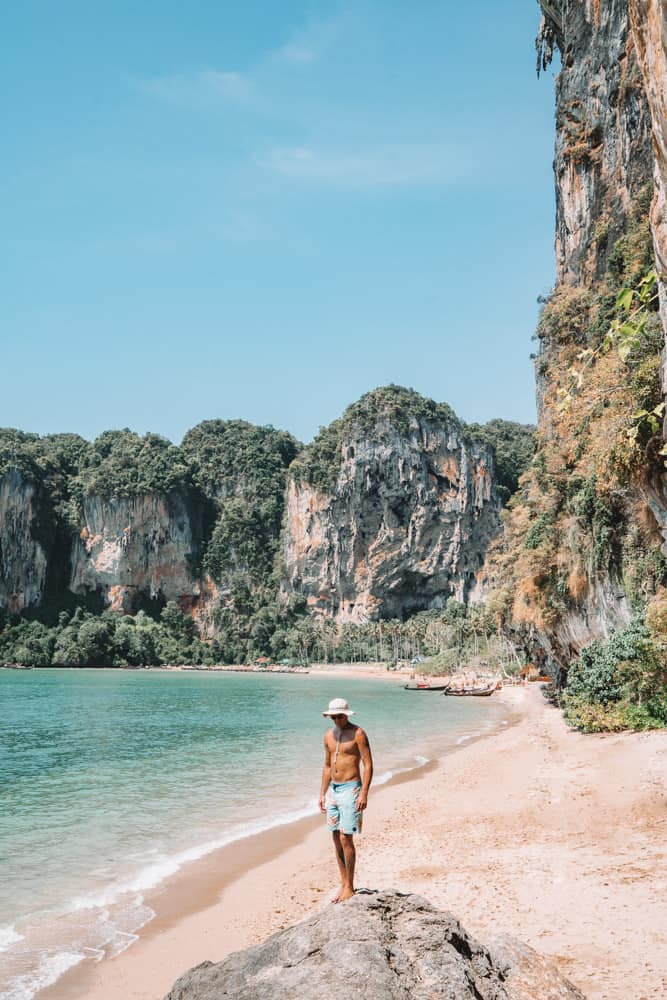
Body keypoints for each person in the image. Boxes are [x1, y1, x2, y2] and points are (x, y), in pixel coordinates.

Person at [318, 697, 373, 902]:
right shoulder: (328, 736)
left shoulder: (358, 733)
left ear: (346, 715)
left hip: (351, 789)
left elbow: (368, 764)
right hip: (333, 790)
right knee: (335, 837)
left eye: (339, 716)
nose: (336, 720)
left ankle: (350, 886)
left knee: (345, 837)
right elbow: (327, 766)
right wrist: (322, 794)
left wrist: (364, 793)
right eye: (333, 717)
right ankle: (343, 883)